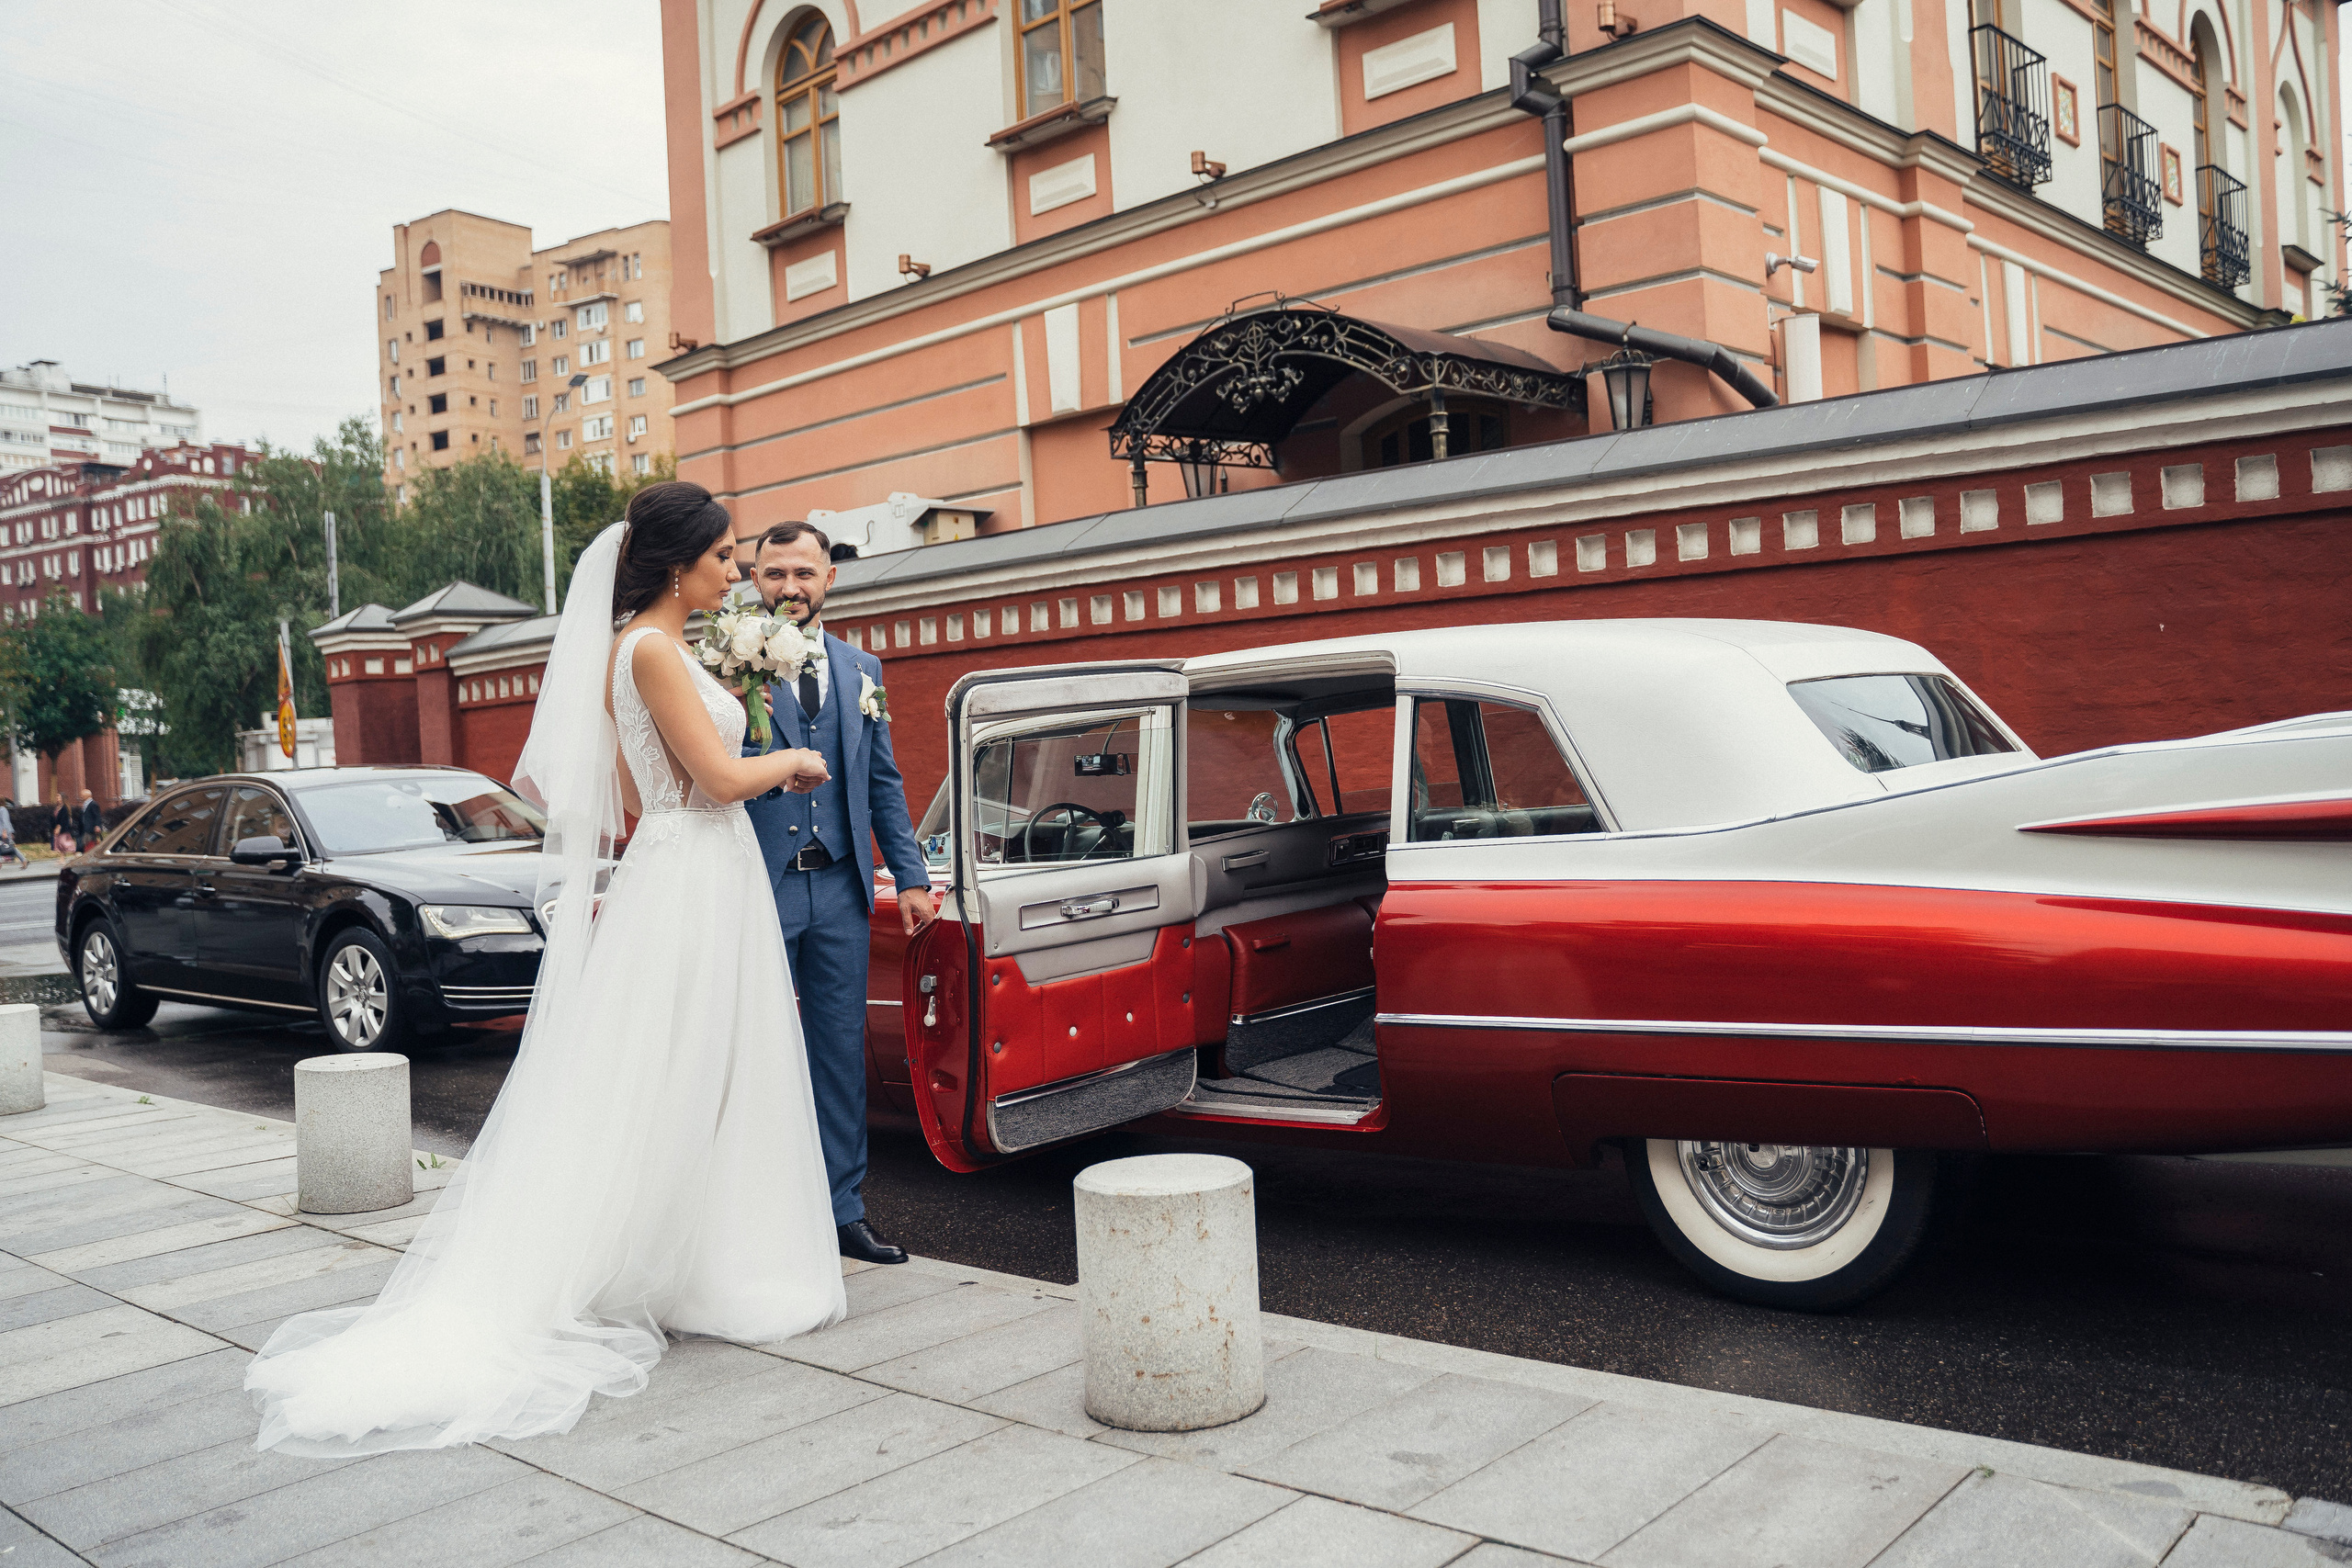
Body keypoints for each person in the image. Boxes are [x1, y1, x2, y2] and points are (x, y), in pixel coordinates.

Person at [245, 480, 846, 1456]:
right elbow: (717, 782)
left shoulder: (667, 648)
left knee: (712, 1071)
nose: (734, 572)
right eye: (725, 555)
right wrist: (793, 763)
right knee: (681, 1071)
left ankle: (704, 1260)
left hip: (704, 870)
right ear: (675, 563)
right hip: (693, 868)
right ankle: (665, 1267)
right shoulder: (649, 650)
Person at [741, 522, 933, 1266]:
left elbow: (881, 778)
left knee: (838, 1053)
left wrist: (910, 876)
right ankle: (759, 1211)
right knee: (755, 1050)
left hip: (843, 889)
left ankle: (842, 1209)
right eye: (774, 573)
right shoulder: (727, 662)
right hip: (760, 883)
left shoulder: (863, 667)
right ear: (753, 580)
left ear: (831, 578)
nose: (790, 587)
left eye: (804, 573)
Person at [75, 788, 101, 852]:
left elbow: (97, 816)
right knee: (84, 842)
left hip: (90, 828)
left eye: (82, 795)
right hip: (84, 828)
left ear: (88, 795)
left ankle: (89, 853)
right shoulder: (85, 804)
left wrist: (97, 825)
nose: (81, 796)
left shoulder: (93, 804)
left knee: (89, 842)